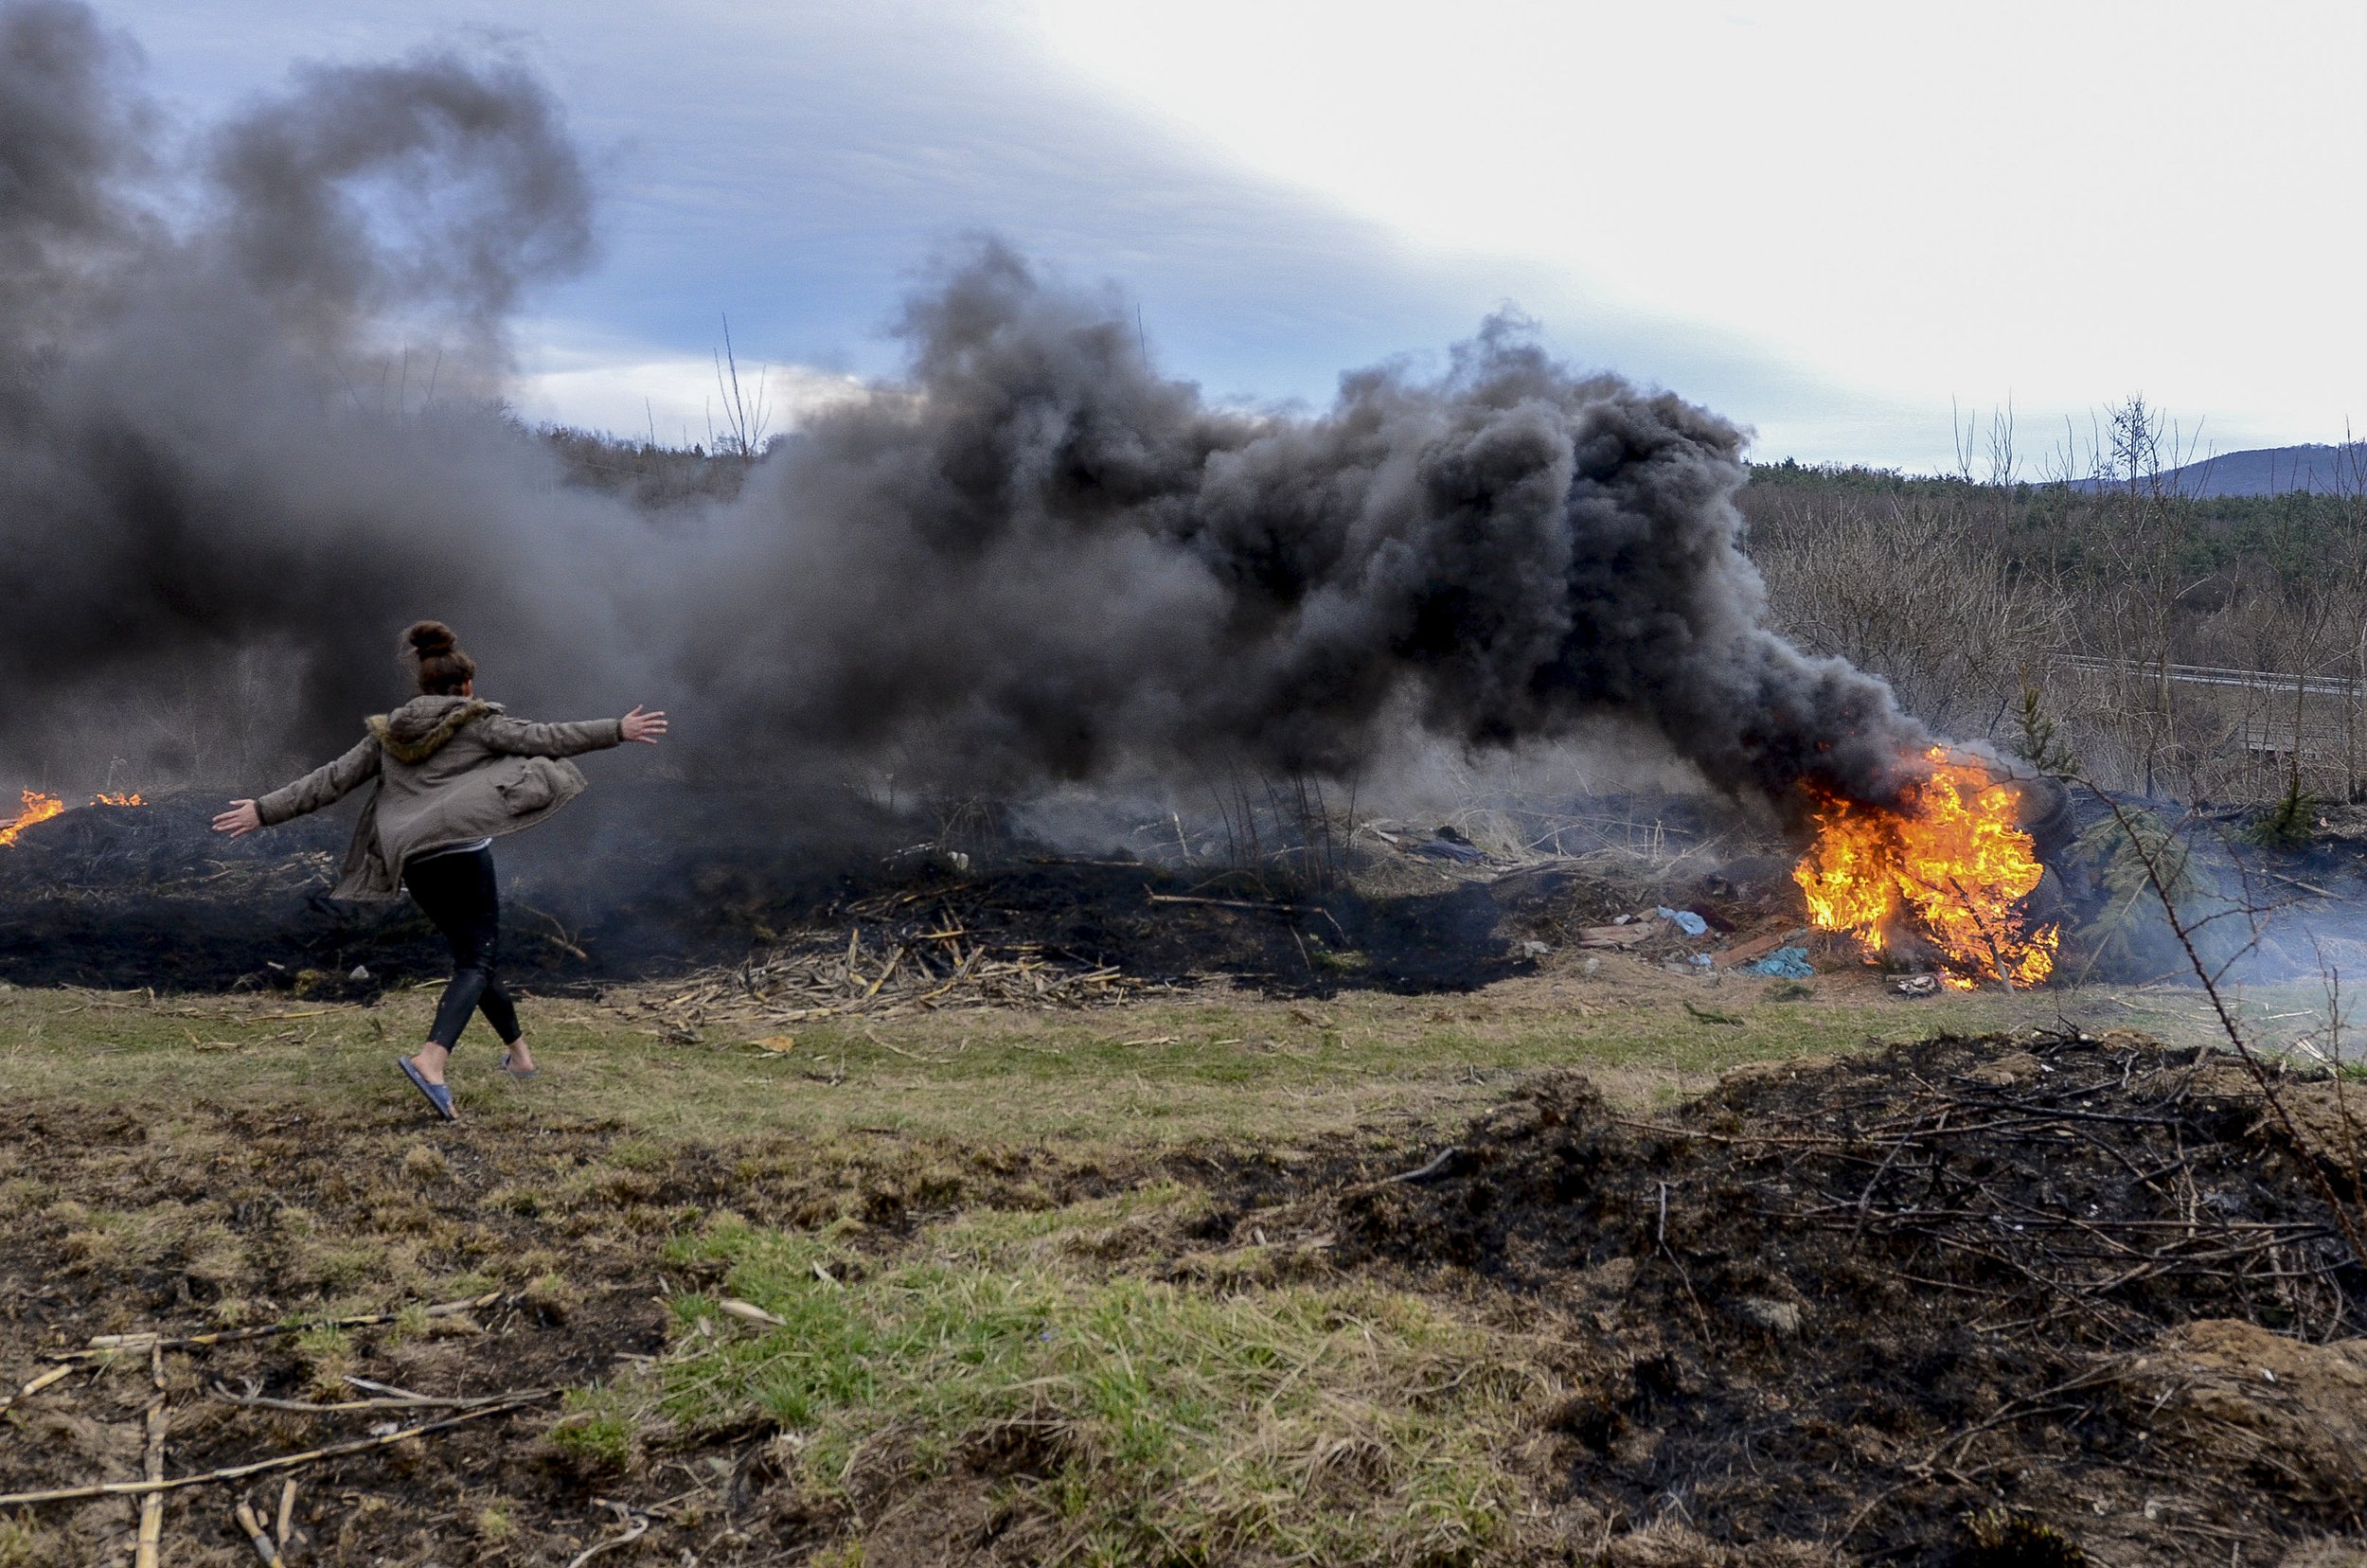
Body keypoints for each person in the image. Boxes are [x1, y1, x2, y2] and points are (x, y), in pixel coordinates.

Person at [213, 621, 667, 1120]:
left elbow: (330, 780)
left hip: (415, 863)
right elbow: (547, 736)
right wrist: (617, 731)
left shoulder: (387, 735)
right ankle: (432, 1061)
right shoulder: (477, 722)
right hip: (463, 856)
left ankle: (520, 1059)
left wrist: (263, 809)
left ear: (422, 689)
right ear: (466, 687)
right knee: (478, 961)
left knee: (474, 957)